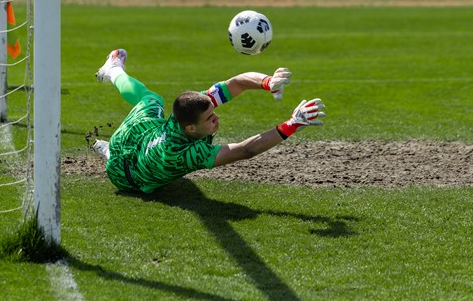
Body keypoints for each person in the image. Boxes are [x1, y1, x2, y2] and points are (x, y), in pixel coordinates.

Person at [89, 49, 326, 194]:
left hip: (136, 138)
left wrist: (268, 82)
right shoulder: (187, 154)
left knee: (151, 100)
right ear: (190, 127)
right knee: (151, 106)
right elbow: (245, 150)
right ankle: (113, 75)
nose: (216, 118)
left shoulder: (187, 113)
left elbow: (237, 83)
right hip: (124, 176)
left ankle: (113, 73)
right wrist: (292, 123)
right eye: (209, 118)